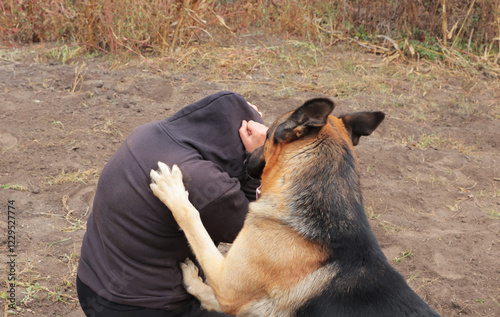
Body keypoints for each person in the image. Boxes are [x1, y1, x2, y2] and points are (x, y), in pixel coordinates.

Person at [77, 91, 268, 316]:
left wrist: (235, 110)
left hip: (91, 282)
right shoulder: (207, 183)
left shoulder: (146, 133)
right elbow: (259, 236)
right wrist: (257, 161)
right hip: (145, 306)